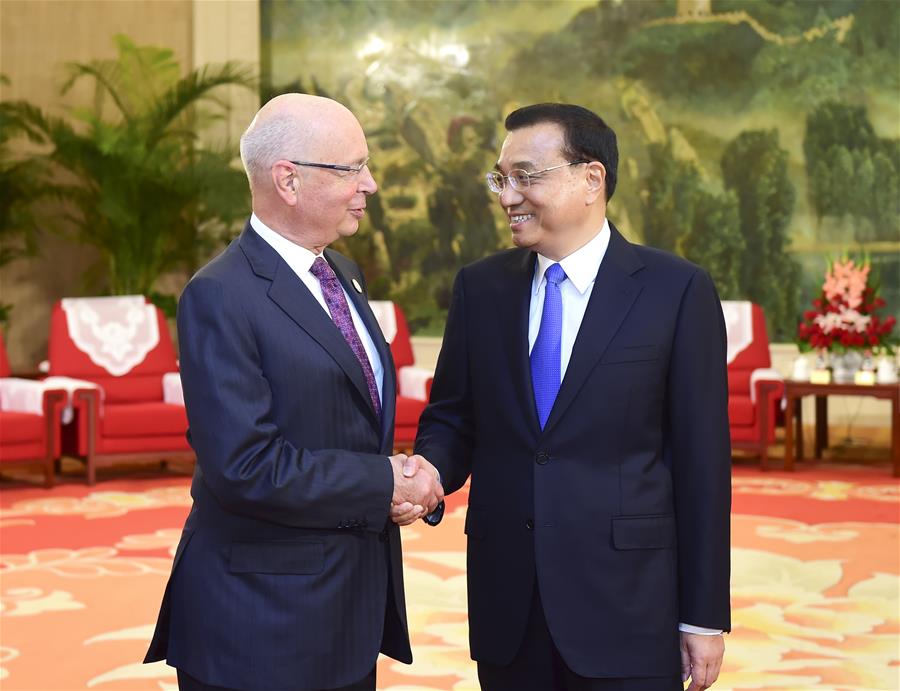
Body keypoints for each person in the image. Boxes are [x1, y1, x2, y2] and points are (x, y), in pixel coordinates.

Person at [412, 103, 731, 691]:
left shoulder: (676, 290)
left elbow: (702, 465)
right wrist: (428, 470)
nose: (508, 196)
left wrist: (703, 615)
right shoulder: (480, 289)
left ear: (591, 180)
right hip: (509, 601)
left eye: (526, 177)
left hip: (629, 605)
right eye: (501, 178)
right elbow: (454, 416)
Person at [145, 93, 443, 691]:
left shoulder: (344, 275)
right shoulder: (221, 295)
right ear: (288, 180)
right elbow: (245, 465)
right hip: (262, 621)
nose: (372, 183)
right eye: (353, 167)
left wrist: (398, 485)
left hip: (346, 609)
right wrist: (386, 481)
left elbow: (350, 418)